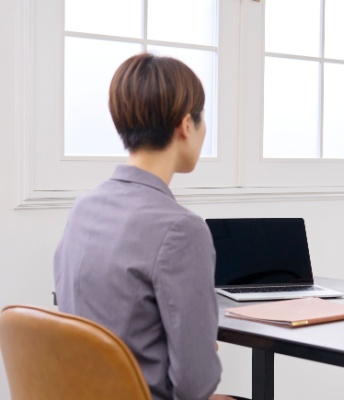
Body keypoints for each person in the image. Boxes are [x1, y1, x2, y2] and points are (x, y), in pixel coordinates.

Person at [54, 53, 242, 400]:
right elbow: (195, 385)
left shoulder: (83, 209)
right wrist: (200, 352)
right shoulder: (181, 229)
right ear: (186, 125)